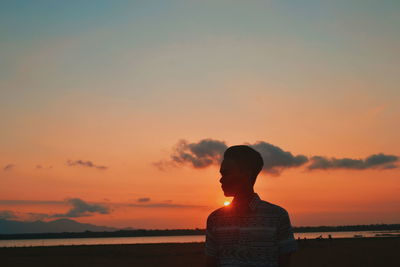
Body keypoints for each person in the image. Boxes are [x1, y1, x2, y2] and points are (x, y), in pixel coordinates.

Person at [205, 145, 297, 267]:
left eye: (226, 173)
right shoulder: (215, 219)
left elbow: (285, 261)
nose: (220, 180)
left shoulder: (277, 216)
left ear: (247, 174)